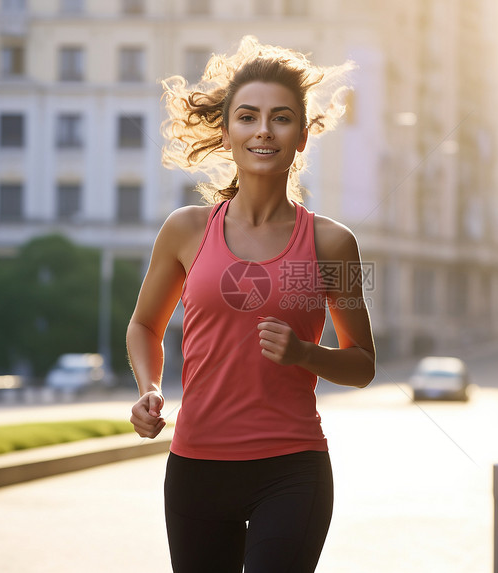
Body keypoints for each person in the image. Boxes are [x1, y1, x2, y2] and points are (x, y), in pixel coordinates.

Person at [127, 36, 375, 573]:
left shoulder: (331, 244)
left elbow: (362, 364)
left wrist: (306, 354)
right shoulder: (186, 230)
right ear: (227, 130)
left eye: (281, 118)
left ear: (303, 136)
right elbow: (145, 325)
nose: (264, 130)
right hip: (196, 468)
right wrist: (148, 389)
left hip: (292, 469)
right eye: (248, 116)